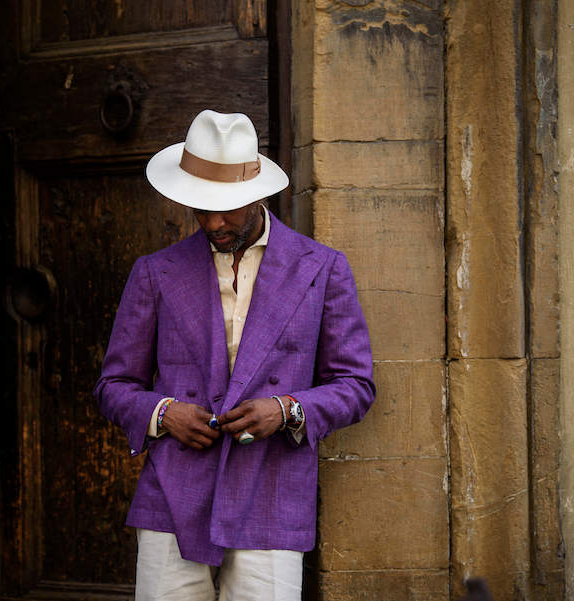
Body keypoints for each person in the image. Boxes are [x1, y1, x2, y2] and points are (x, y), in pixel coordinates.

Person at [93, 109, 376, 601]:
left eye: (229, 208)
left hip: (271, 494)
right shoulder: (154, 272)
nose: (215, 222)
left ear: (259, 194)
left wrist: (286, 410)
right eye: (202, 208)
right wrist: (163, 414)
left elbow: (355, 385)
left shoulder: (322, 269)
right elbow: (113, 387)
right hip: (172, 496)